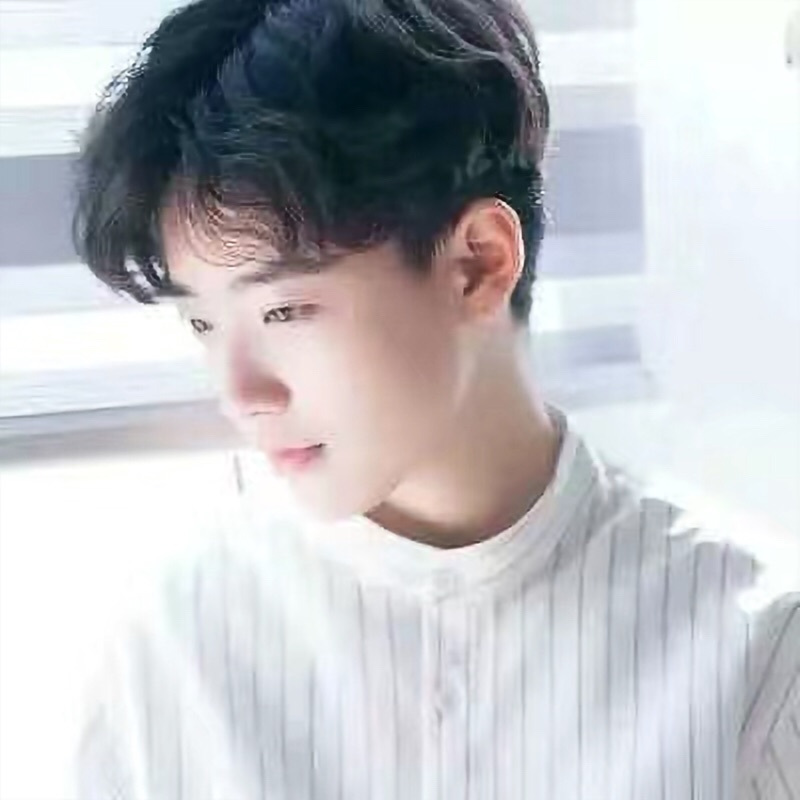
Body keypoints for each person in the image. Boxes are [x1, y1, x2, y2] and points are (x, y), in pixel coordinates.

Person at [71, 0, 799, 797]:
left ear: (478, 264)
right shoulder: (172, 647)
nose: (240, 393)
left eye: (284, 311)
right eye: (203, 323)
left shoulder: (756, 644)